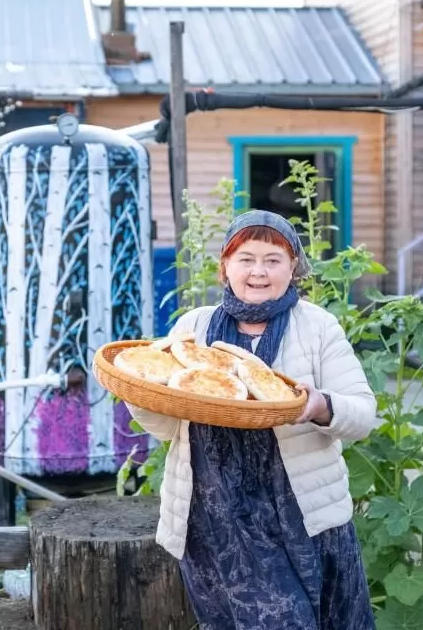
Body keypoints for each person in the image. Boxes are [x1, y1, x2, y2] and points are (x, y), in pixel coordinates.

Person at [128, 210, 380, 630]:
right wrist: (139, 392)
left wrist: (319, 405)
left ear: (293, 267)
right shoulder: (195, 328)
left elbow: (362, 414)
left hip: (301, 515)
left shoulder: (317, 327)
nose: (258, 272)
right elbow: (169, 426)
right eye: (246, 258)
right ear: (225, 266)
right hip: (216, 520)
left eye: (273, 259)